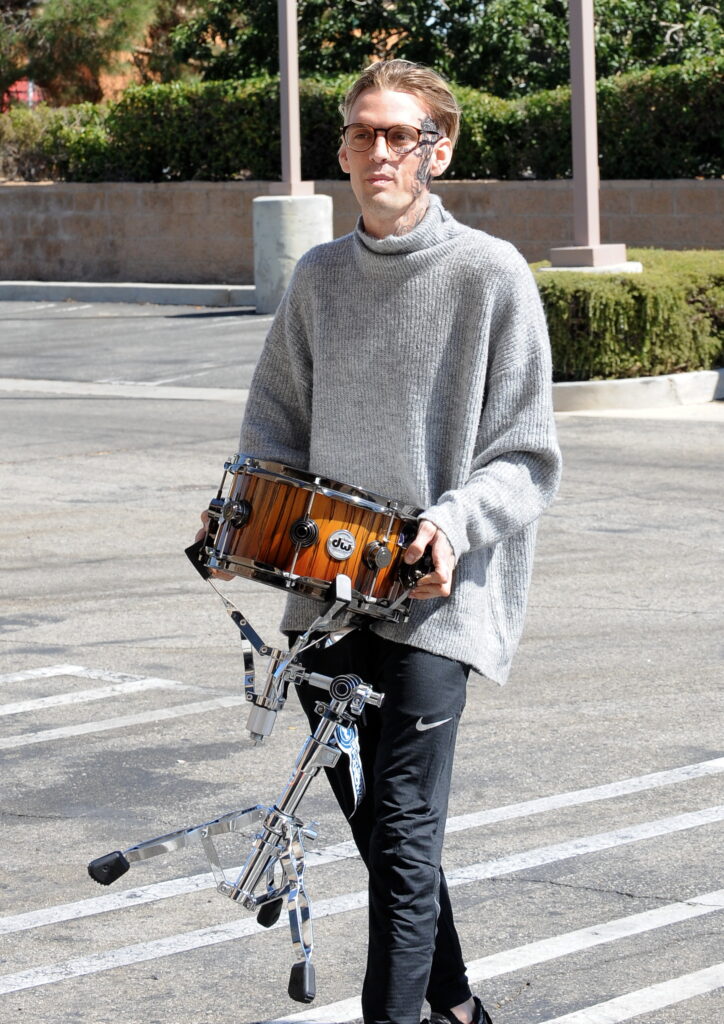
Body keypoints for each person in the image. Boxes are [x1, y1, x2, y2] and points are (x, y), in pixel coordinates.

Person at [229, 60, 561, 1024]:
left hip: (434, 605)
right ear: (341, 149)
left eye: (400, 135)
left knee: (406, 836)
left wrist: (451, 523)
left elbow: (527, 454)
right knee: (382, 835)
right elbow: (273, 426)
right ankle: (456, 1006)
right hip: (324, 598)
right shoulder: (319, 279)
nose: (379, 151)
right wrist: (246, 511)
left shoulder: (490, 274)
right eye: (362, 134)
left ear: (438, 149)